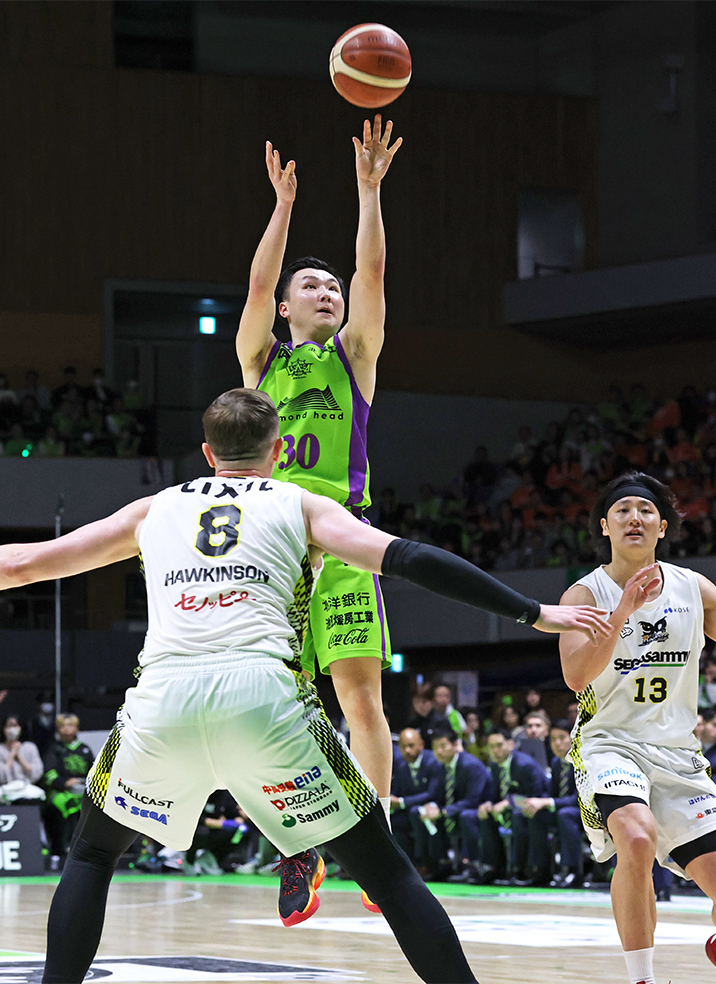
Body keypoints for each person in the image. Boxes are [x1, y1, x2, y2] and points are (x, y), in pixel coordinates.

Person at [0, 388, 610, 984]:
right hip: (265, 698)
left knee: (92, 855)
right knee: (389, 876)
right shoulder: (301, 503)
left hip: (163, 701)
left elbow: (21, 564)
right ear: (278, 450)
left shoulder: (153, 509)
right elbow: (411, 558)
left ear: (208, 454)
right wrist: (533, 611)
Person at [234, 117, 402, 859]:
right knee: (281, 705)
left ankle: (379, 836)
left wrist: (369, 192)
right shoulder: (261, 362)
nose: (328, 291)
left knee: (360, 694)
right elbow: (257, 282)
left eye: (332, 286)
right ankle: (299, 839)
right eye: (312, 285)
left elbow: (373, 275)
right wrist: (283, 207)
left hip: (343, 538)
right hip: (274, 545)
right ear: (286, 307)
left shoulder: (355, 355)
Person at [559, 470, 716, 984]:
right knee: (636, 836)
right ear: (605, 526)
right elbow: (576, 676)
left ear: (662, 527)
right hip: (610, 745)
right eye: (622, 510)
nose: (635, 517)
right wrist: (624, 608)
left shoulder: (693, 588)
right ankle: (642, 978)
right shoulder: (584, 595)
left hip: (679, 755)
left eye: (646, 510)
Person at [410, 726, 491, 880]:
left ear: (455, 745)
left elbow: (473, 799)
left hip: (478, 808)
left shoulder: (471, 765)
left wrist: (443, 811)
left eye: (443, 746)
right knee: (420, 812)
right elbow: (436, 794)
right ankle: (440, 863)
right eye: (435, 748)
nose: (439, 751)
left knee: (465, 816)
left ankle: (471, 865)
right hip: (454, 809)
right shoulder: (440, 766)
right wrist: (432, 806)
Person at [472, 727, 549, 885]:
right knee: (486, 816)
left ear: (511, 744)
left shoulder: (525, 765)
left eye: (499, 745)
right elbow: (494, 795)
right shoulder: (495, 766)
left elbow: (536, 796)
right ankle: (493, 867)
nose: (495, 751)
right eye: (491, 747)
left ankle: (519, 869)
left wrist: (509, 802)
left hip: (536, 809)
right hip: (509, 809)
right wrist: (488, 804)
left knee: (517, 817)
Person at [519, 718, 583, 888]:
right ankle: (540, 869)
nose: (557, 743)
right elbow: (552, 793)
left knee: (565, 814)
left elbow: (578, 798)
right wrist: (536, 802)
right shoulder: (556, 763)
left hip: (585, 813)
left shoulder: (583, 761)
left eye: (562, 738)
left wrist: (547, 801)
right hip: (563, 811)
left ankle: (572, 870)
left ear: (573, 738)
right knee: (536, 814)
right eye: (553, 739)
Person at [42, 714, 95, 870]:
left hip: (83, 790)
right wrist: (65, 783)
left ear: (77, 728)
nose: (66, 729)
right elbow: (49, 774)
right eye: (63, 726)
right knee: (66, 804)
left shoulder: (84, 749)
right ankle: (65, 847)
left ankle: (88, 848)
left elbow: (94, 771)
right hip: (59, 791)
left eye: (70, 725)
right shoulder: (54, 749)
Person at [389, 727, 442, 863]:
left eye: (411, 745)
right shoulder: (400, 764)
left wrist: (401, 802)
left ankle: (424, 862)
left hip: (435, 804)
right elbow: (396, 790)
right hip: (410, 807)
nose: (407, 750)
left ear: (421, 745)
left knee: (416, 813)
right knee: (393, 820)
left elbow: (432, 793)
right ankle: (402, 862)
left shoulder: (433, 762)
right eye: (403, 746)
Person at [0, 713, 44, 794]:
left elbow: (36, 772)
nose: (12, 729)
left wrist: (18, 757)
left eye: (15, 726)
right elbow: (1, 775)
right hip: (5, 789)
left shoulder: (30, 747)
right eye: (9, 726)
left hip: (26, 788)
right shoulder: (1, 749)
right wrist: (12, 754)